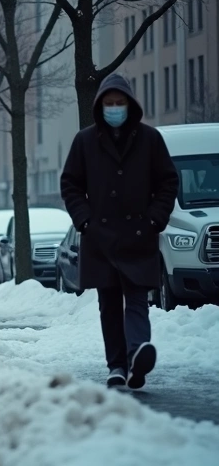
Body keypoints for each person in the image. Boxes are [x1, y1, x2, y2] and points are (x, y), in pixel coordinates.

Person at [61, 73, 178, 390]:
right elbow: (70, 184)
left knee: (138, 299)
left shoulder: (150, 139)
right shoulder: (84, 141)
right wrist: (84, 220)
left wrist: (155, 219)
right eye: (109, 104)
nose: (114, 108)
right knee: (109, 303)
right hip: (99, 237)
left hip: (139, 234)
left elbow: (168, 182)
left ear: (130, 105)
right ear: (100, 106)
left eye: (120, 103)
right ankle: (117, 365)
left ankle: (139, 351)